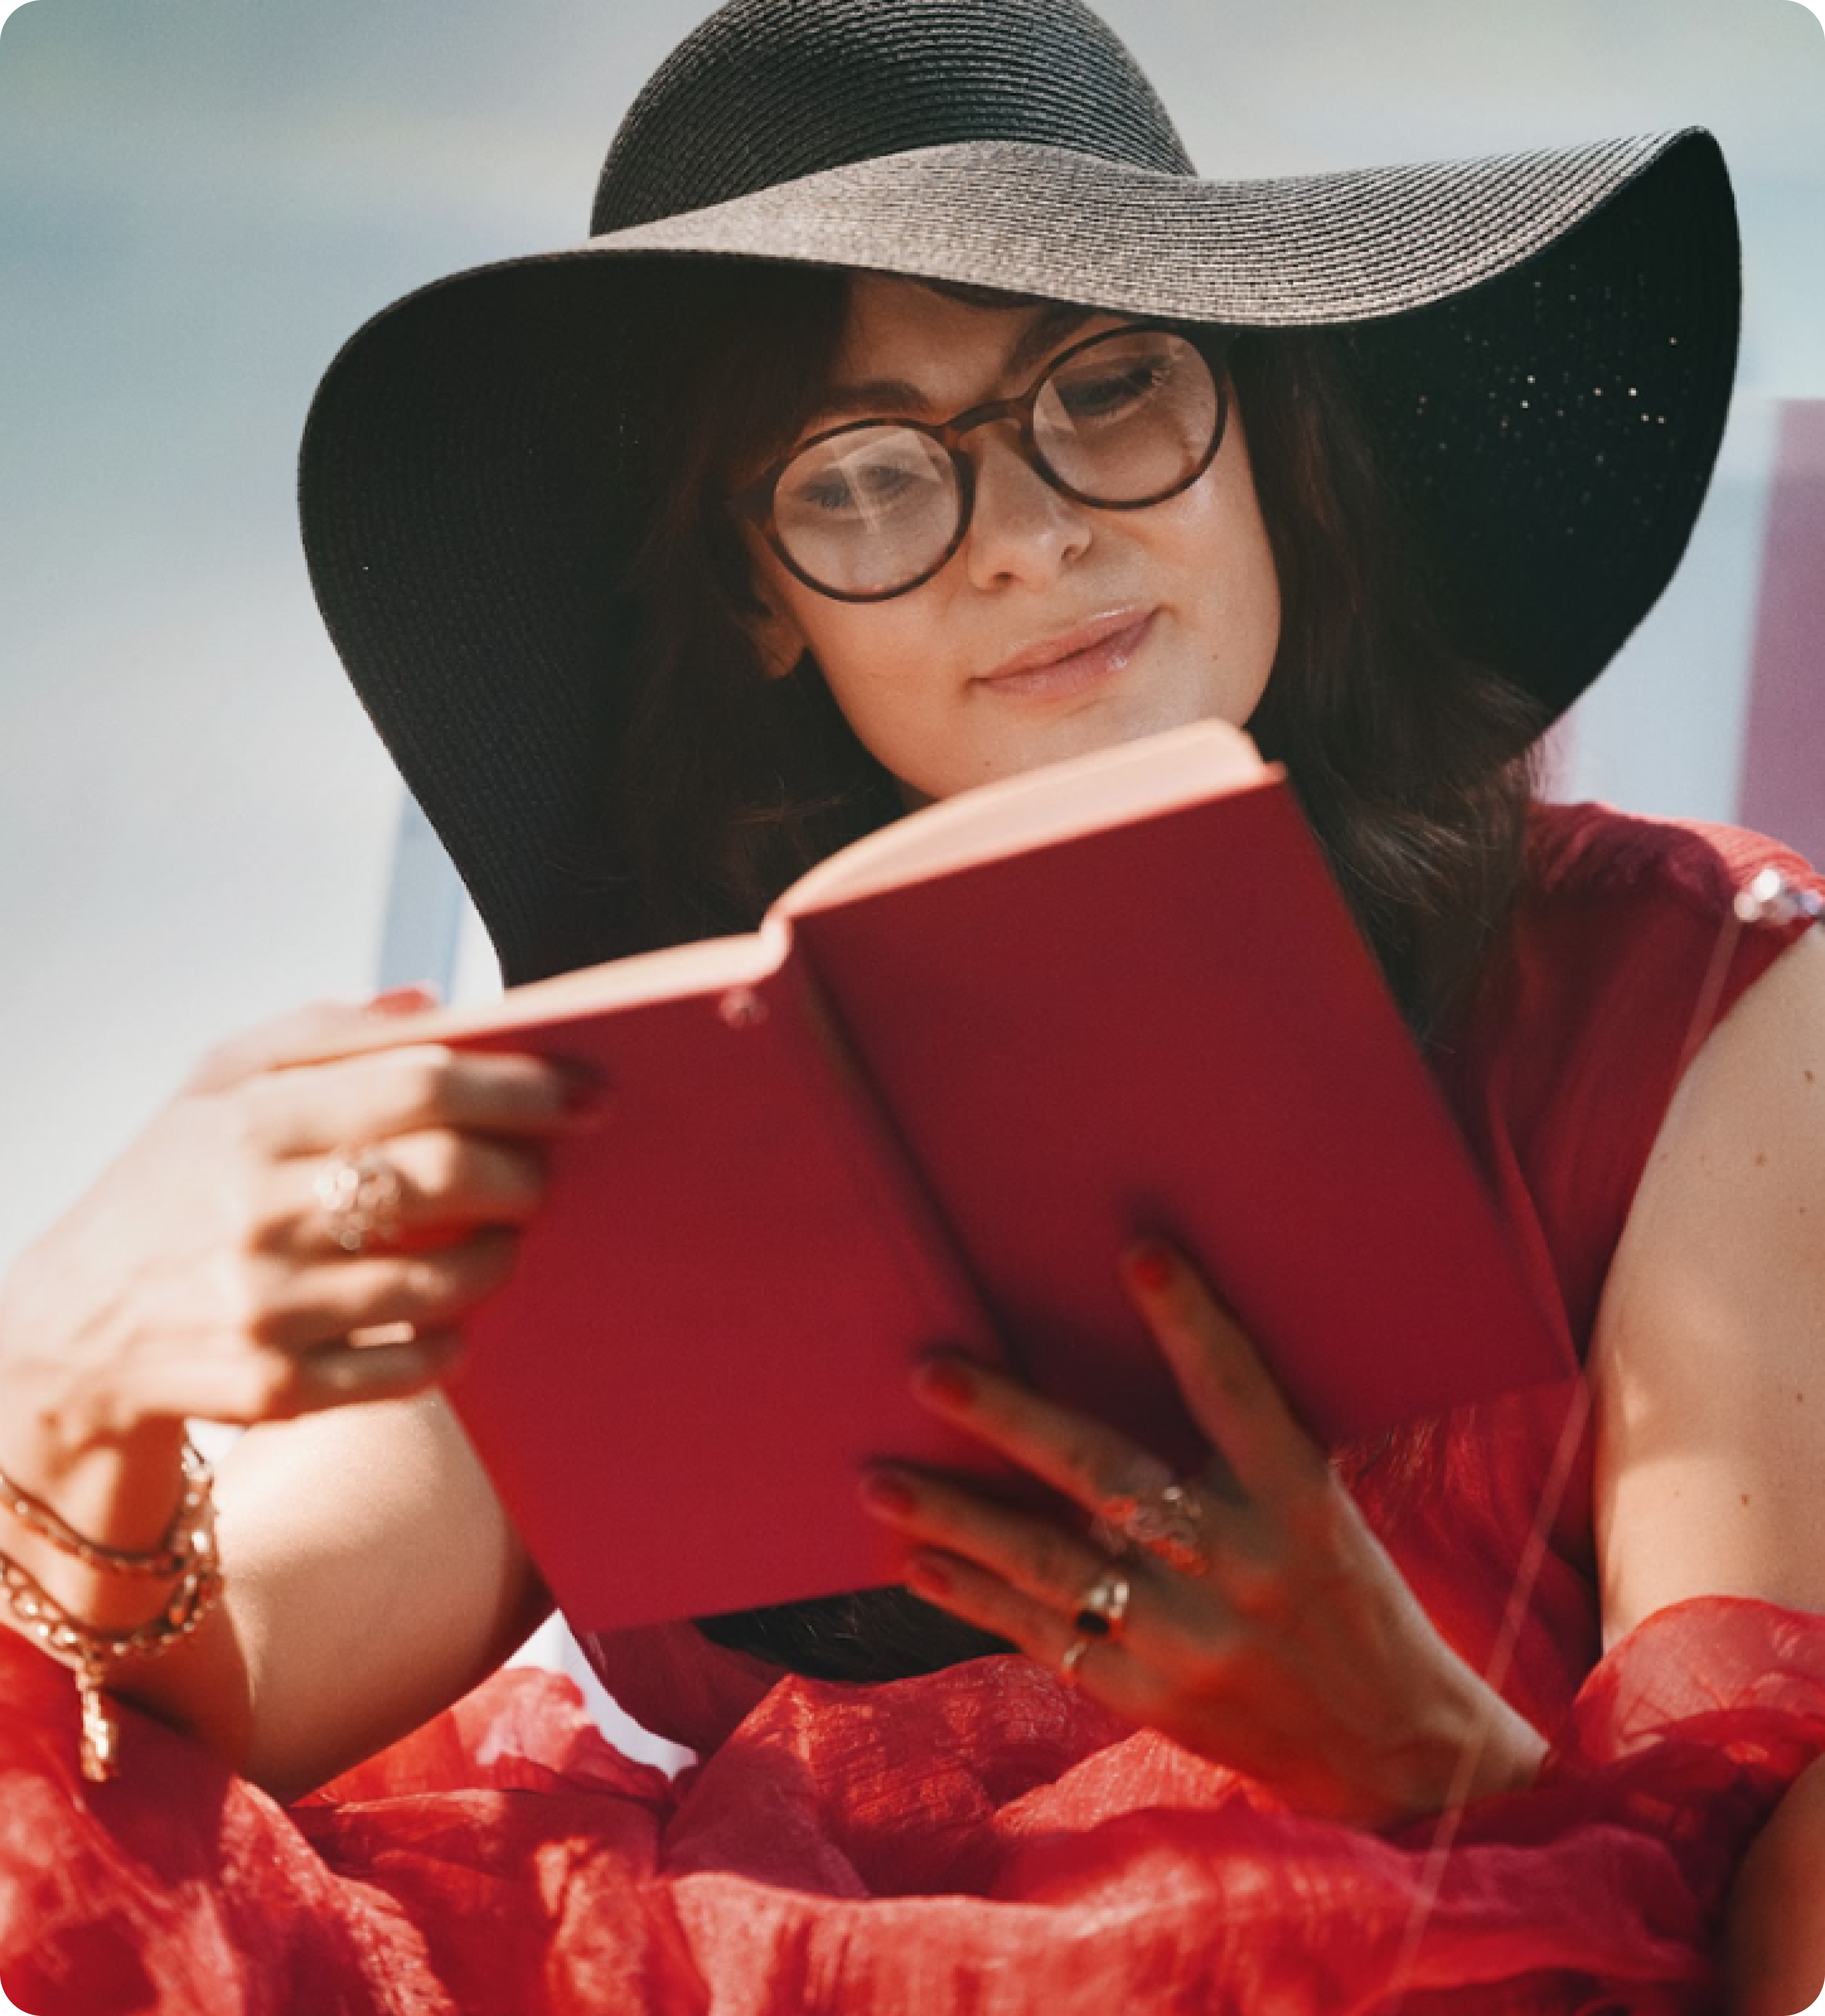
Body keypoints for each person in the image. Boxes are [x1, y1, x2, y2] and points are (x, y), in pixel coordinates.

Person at [2, 1, 1822, 2010]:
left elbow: (1772, 1910)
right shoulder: (657, 1114)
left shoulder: (1701, 1005)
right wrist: (72, 1391)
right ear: (762, 598)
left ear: (1269, 434)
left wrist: (1410, 1747)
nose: (1036, 535)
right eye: (868, 477)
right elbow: (186, 1718)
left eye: (1111, 387)